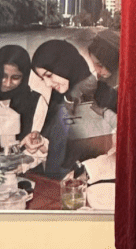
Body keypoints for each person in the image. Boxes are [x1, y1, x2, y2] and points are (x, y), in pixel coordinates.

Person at [30, 40, 93, 178]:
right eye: (43, 78)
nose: (48, 83)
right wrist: (41, 142)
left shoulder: (96, 98)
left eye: (48, 75)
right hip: (59, 183)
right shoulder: (62, 97)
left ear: (65, 65)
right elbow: (59, 146)